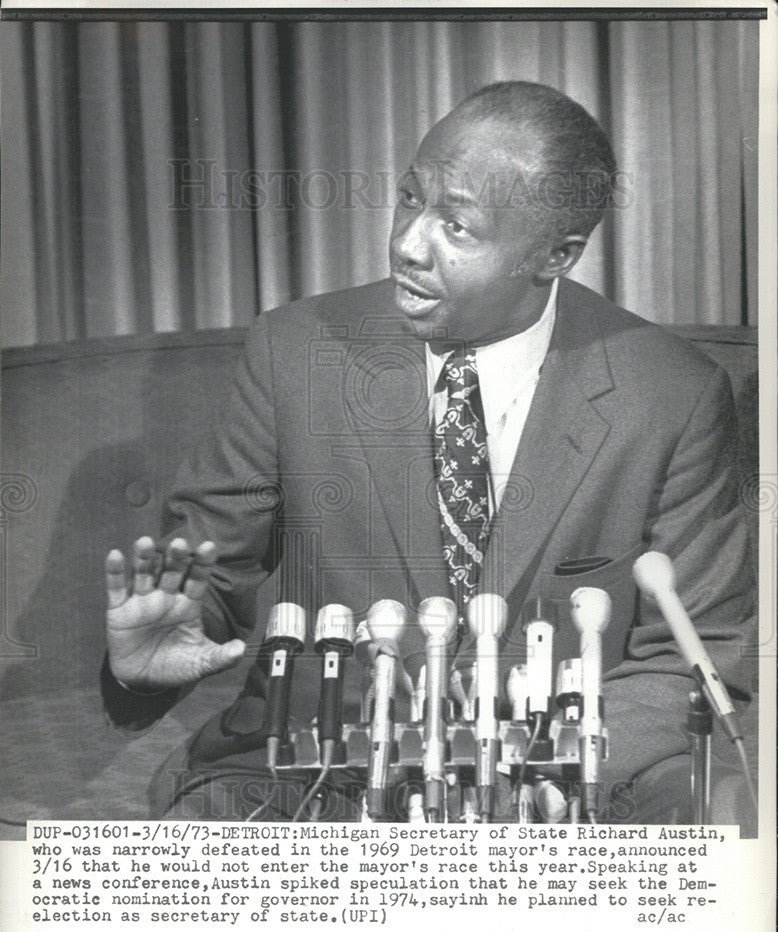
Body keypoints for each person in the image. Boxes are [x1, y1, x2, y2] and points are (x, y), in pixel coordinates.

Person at [102, 81, 757, 827]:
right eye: (411, 199)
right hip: (321, 763)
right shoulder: (294, 350)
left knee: (713, 822)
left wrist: (518, 763)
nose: (408, 244)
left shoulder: (671, 393)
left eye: (457, 227)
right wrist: (145, 665)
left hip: (563, 769)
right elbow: (209, 579)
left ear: (555, 256)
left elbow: (699, 652)